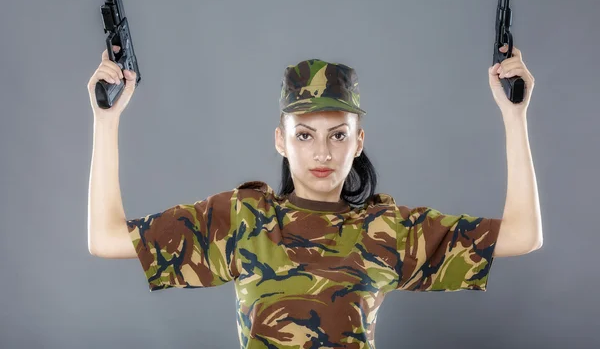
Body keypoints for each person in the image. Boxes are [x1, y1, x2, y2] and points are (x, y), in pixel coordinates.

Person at [86, 48, 528, 348]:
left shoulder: (388, 231)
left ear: (358, 143)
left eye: (338, 135)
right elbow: (105, 239)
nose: (322, 152)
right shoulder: (241, 219)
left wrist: (515, 115)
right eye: (304, 135)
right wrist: (106, 120)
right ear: (281, 141)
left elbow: (524, 236)